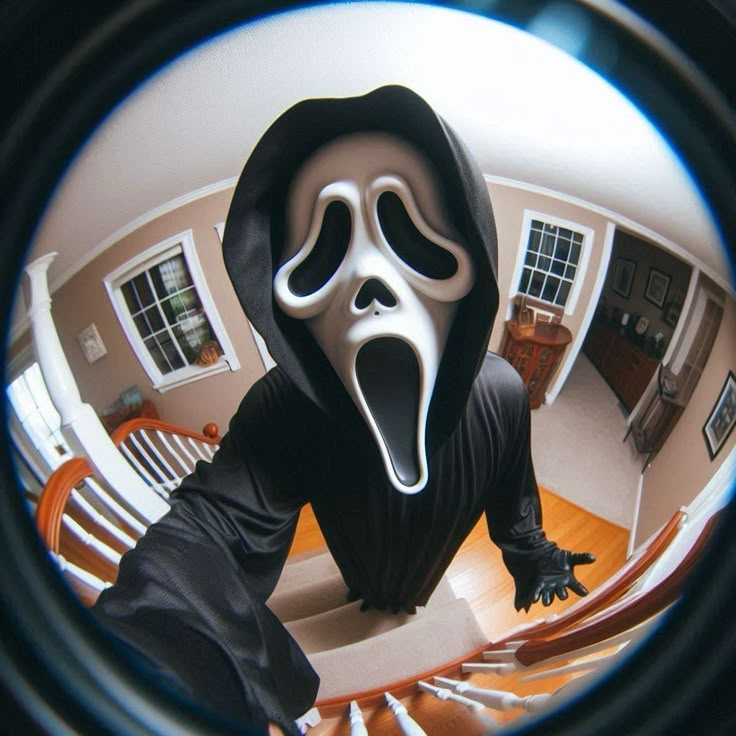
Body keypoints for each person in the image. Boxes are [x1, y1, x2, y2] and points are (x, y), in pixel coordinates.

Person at [93, 85, 594, 734]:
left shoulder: (501, 395)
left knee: (408, 599)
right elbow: (208, 530)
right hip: (357, 553)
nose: (365, 277)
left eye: (410, 235)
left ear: (472, 266)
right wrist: (143, 665)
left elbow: (513, 505)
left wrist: (534, 557)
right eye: (320, 257)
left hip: (430, 560)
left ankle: (403, 601)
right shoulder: (284, 410)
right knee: (368, 590)